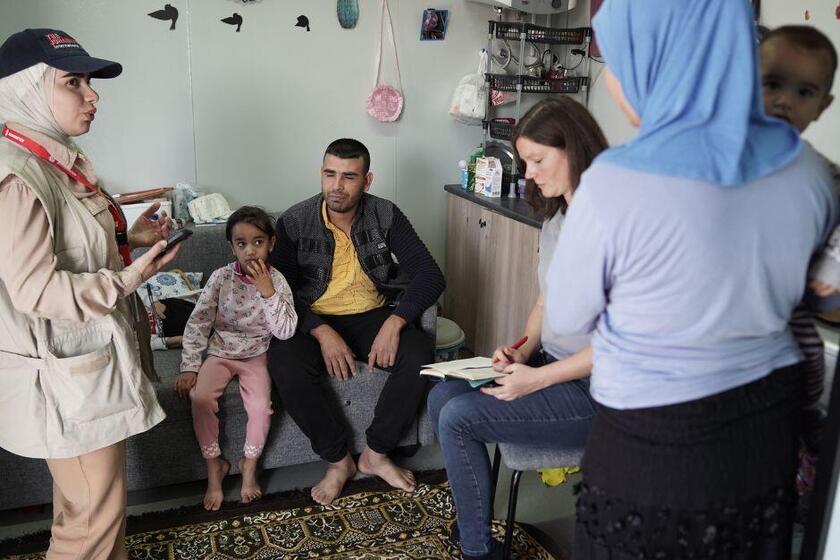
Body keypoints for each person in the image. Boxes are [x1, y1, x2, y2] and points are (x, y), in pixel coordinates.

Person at [543, 1, 837, 558]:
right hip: (764, 431)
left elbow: (568, 316)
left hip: (655, 442)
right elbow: (816, 288)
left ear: (662, 60)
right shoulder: (807, 169)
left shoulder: (615, 180)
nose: (615, 84)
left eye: (621, 63)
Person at [0, 29, 181, 559]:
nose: (92, 94)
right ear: (26, 89)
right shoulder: (18, 176)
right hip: (67, 380)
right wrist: (131, 277)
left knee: (91, 515)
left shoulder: (52, 159)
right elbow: (37, 290)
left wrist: (130, 238)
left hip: (84, 372)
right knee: (89, 528)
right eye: (73, 82)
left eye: (88, 82)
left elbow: (68, 248)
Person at [427, 97, 608, 560]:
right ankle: (475, 523)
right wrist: (522, 352)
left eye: (538, 160)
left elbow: (622, 345)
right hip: (550, 366)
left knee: (459, 417)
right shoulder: (558, 219)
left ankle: (479, 551)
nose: (529, 174)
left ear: (574, 149)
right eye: (525, 162)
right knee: (443, 396)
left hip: (597, 393)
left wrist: (537, 378)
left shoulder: (614, 225)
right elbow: (544, 302)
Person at [269, 138, 445, 506]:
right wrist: (321, 331)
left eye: (348, 177)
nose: (336, 186)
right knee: (285, 364)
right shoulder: (294, 221)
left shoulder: (385, 214)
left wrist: (395, 322)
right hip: (312, 317)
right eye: (329, 174)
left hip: (372, 314)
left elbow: (430, 275)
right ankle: (338, 461)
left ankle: (376, 454)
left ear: (367, 180)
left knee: (419, 354)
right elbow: (279, 291)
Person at [174, 206, 297, 511]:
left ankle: (249, 465)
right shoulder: (221, 277)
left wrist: (268, 292)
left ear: (271, 244)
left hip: (257, 354)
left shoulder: (277, 281)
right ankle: (214, 467)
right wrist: (190, 366)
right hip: (220, 352)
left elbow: (285, 331)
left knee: (261, 408)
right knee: (200, 397)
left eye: (258, 242)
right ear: (232, 247)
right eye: (241, 244)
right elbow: (198, 322)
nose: (250, 251)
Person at [760, 25, 840, 449]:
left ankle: (805, 425)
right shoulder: (720, 159)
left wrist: (832, 273)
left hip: (787, 309)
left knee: (807, 355)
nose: (785, 101)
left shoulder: (827, 176)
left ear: (823, 105)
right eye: (772, 84)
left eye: (804, 92)